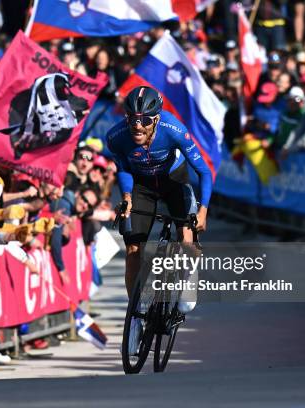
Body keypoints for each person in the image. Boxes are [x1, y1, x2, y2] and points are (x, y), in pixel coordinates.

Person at [107, 86, 212, 353]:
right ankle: (135, 319)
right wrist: (127, 196)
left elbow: (204, 171)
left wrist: (203, 210)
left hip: (174, 181)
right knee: (132, 248)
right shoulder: (116, 137)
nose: (137, 127)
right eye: (132, 120)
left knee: (186, 238)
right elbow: (123, 169)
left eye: (144, 121)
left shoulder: (174, 129)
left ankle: (188, 279)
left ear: (156, 118)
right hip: (141, 185)